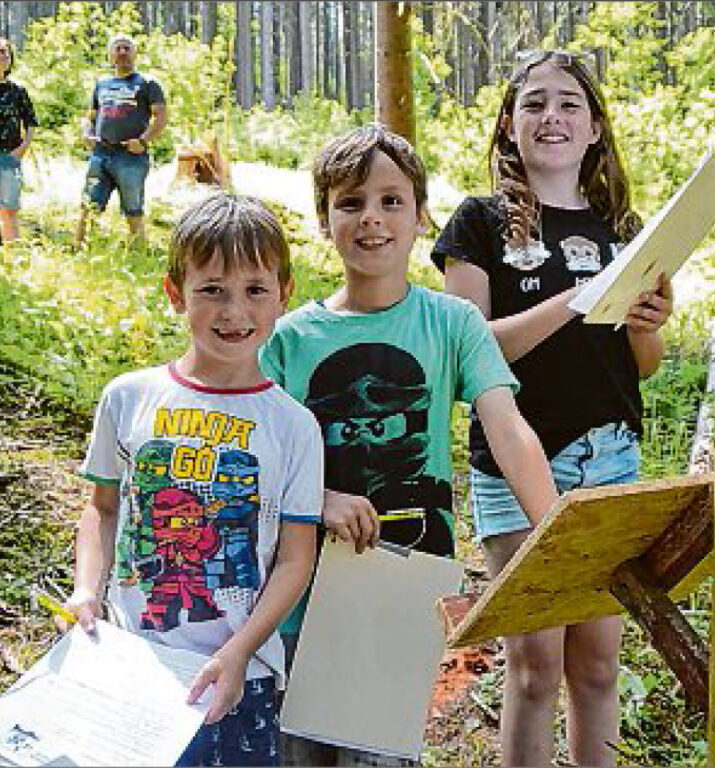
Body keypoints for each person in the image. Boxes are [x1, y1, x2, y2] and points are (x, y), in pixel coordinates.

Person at [259, 123, 560, 766]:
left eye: (391, 201)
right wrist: (317, 499)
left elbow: (508, 430)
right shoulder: (285, 340)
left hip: (401, 592)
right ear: (322, 219)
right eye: (351, 202)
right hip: (294, 601)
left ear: (421, 216)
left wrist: (555, 534)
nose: (372, 219)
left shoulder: (453, 324)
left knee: (378, 758)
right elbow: (255, 461)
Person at [431, 50, 674, 767]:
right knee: (535, 668)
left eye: (569, 104)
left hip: (613, 458)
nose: (552, 117)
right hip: (517, 461)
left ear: (595, 128)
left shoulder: (620, 227)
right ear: (509, 124)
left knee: (597, 668)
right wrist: (577, 299)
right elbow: (464, 351)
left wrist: (646, 324)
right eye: (534, 103)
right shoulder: (478, 223)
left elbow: (642, 367)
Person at [65, 193, 323, 767]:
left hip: (242, 675)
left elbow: (294, 559)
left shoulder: (294, 426)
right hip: (134, 661)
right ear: (176, 293)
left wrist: (239, 652)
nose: (234, 311)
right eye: (213, 290)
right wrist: (88, 590)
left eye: (255, 290)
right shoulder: (127, 397)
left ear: (285, 294)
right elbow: (103, 510)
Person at [75, 33, 167, 247]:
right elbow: (90, 116)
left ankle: (139, 253)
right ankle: (78, 250)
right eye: (118, 48)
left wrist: (143, 142)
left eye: (127, 48)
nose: (122, 52)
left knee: (132, 209)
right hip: (100, 154)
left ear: (135, 54)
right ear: (110, 55)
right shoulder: (101, 84)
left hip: (131, 157)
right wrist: (86, 133)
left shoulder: (147, 83)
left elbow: (161, 116)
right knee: (88, 205)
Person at [0, 37, 37, 243]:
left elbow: (31, 122)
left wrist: (24, 147)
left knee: (9, 209)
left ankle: (12, 256)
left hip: (9, 156)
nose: (2, 56)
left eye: (5, 52)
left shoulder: (17, 91)